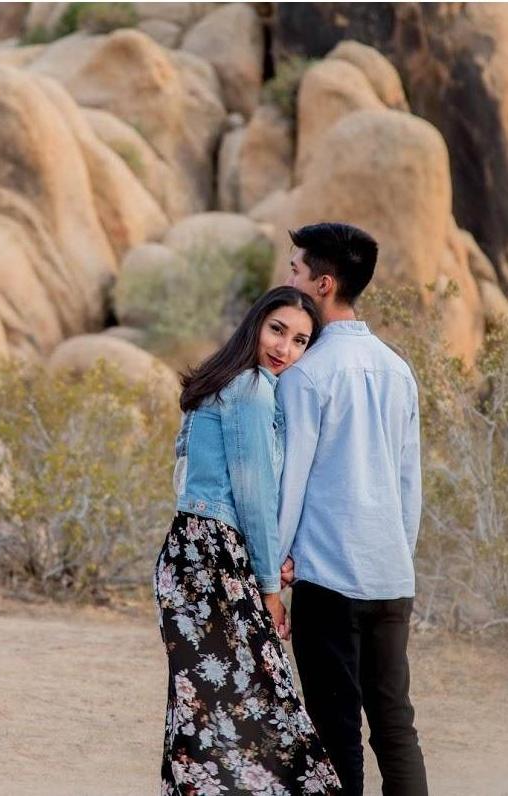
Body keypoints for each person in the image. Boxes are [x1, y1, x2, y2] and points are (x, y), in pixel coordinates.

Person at [154, 286, 341, 795]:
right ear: (255, 324)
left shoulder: (221, 383)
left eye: (300, 341)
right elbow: (254, 497)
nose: (285, 348)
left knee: (202, 710)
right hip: (216, 558)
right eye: (277, 330)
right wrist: (270, 587)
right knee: (266, 705)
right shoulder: (253, 390)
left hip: (188, 553)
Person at [277, 222, 429, 796]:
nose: (289, 279)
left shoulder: (306, 374)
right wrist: (397, 556)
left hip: (329, 578)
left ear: (324, 283)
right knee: (395, 726)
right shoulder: (398, 370)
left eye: (296, 270)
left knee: (335, 731)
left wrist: (272, 572)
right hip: (391, 578)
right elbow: (409, 484)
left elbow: (291, 484)